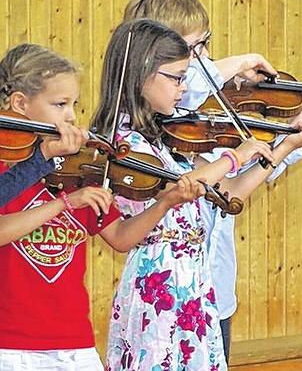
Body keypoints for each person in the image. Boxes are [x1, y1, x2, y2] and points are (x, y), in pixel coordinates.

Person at [122, 0, 302, 360]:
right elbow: (210, 167)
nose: (204, 60)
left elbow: (232, 190)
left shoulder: (191, 122)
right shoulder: (142, 132)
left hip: (212, 292)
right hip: (163, 297)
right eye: (197, 49)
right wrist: (239, 62)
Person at [93, 19, 302, 370]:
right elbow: (177, 187)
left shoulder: (164, 136)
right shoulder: (123, 142)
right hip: (159, 284)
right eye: (176, 78)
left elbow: (225, 192)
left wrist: (285, 145)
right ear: (142, 74)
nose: (183, 88)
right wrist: (235, 156)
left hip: (194, 279)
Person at [0, 43, 203, 370]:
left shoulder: (78, 168)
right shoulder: (5, 167)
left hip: (74, 341)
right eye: (60, 104)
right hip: (10, 345)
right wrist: (65, 204)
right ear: (20, 104)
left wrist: (164, 203)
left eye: (74, 104)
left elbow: (121, 238)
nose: (71, 115)